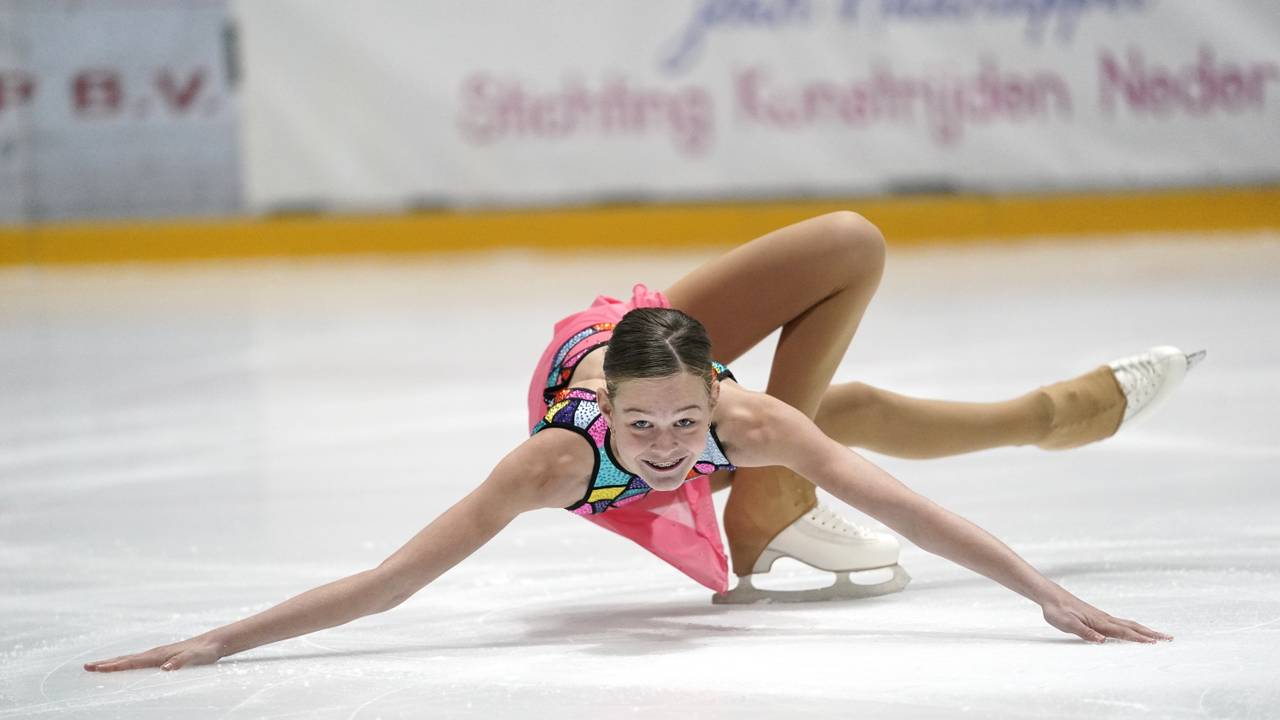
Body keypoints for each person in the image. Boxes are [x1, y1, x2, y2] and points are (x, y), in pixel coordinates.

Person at [84, 211, 1195, 673]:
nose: (667, 450)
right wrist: (216, 645)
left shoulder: (736, 416)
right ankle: (1041, 424)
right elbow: (390, 582)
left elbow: (899, 503)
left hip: (680, 370)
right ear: (607, 414)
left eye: (685, 424)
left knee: (841, 320)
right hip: (592, 364)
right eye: (643, 426)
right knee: (818, 422)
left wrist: (1039, 589)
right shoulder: (558, 463)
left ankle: (796, 493)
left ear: (712, 397)